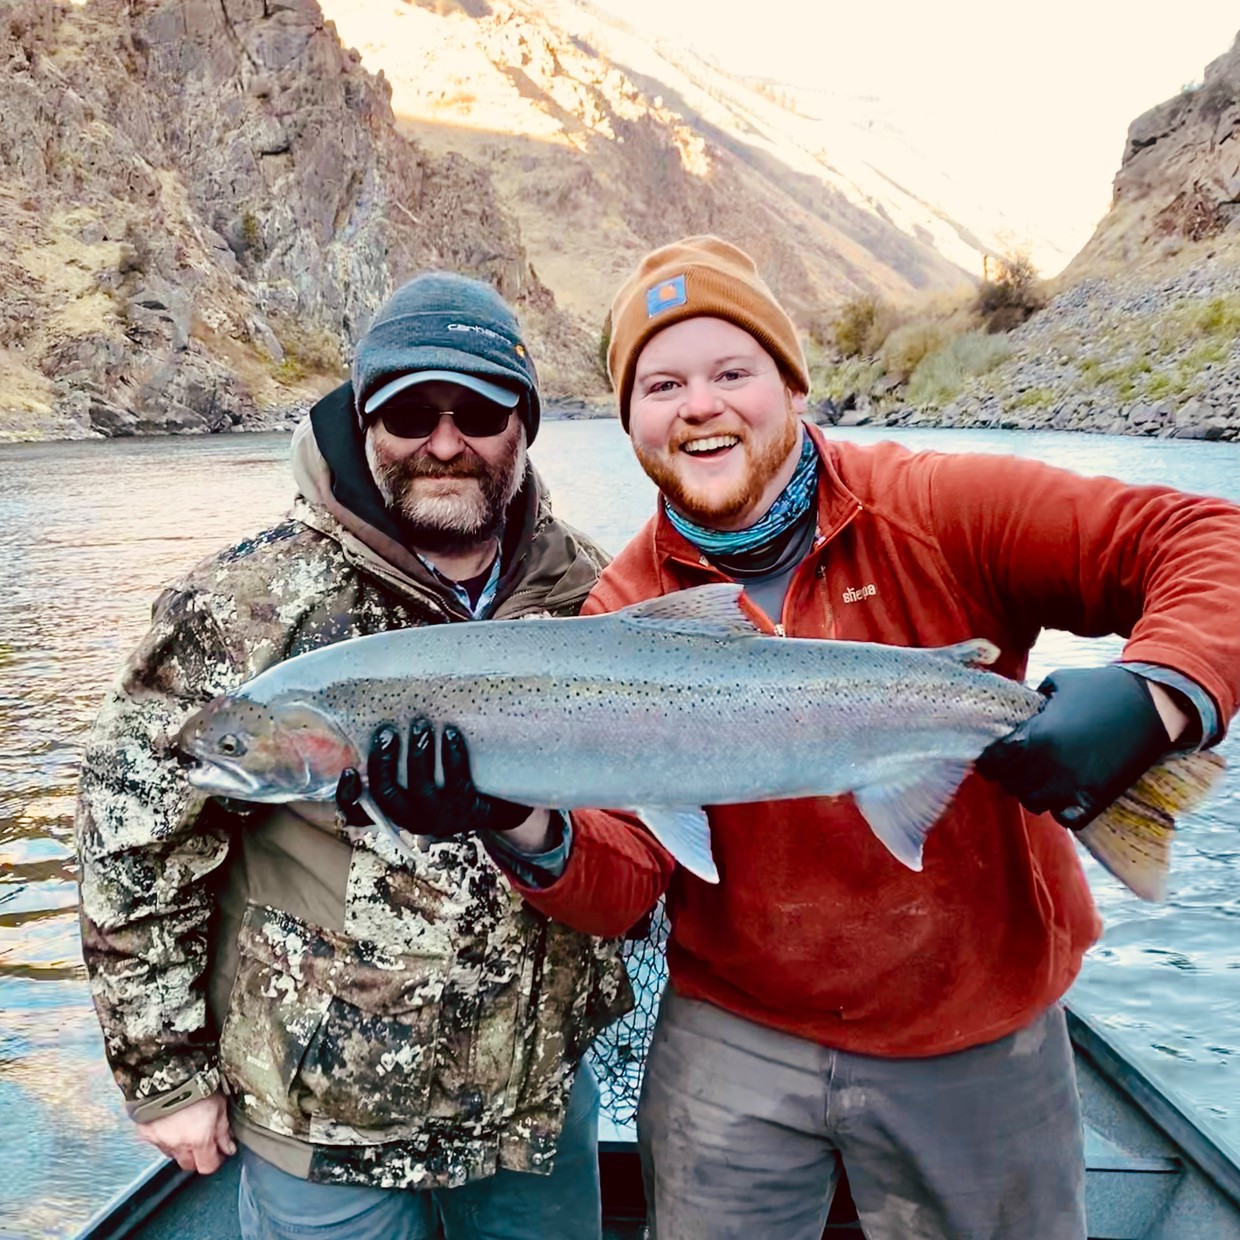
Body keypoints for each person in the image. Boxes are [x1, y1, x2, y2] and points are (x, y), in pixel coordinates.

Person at [353, 237, 1240, 1240]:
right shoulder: (624, 604)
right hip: (738, 1024)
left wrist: (1157, 694)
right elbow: (632, 879)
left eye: (733, 372)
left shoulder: (939, 508)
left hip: (973, 1020)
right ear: (629, 416)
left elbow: (1211, 540)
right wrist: (507, 814)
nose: (699, 405)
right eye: (661, 383)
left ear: (790, 383)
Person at [74, 271, 631, 1240]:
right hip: (321, 1123)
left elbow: (629, 831)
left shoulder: (596, 590)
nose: (444, 442)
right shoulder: (245, 602)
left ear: (524, 424)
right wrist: (165, 1076)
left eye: (480, 411)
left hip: (529, 1106)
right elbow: (133, 842)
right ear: (364, 418)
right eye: (412, 411)